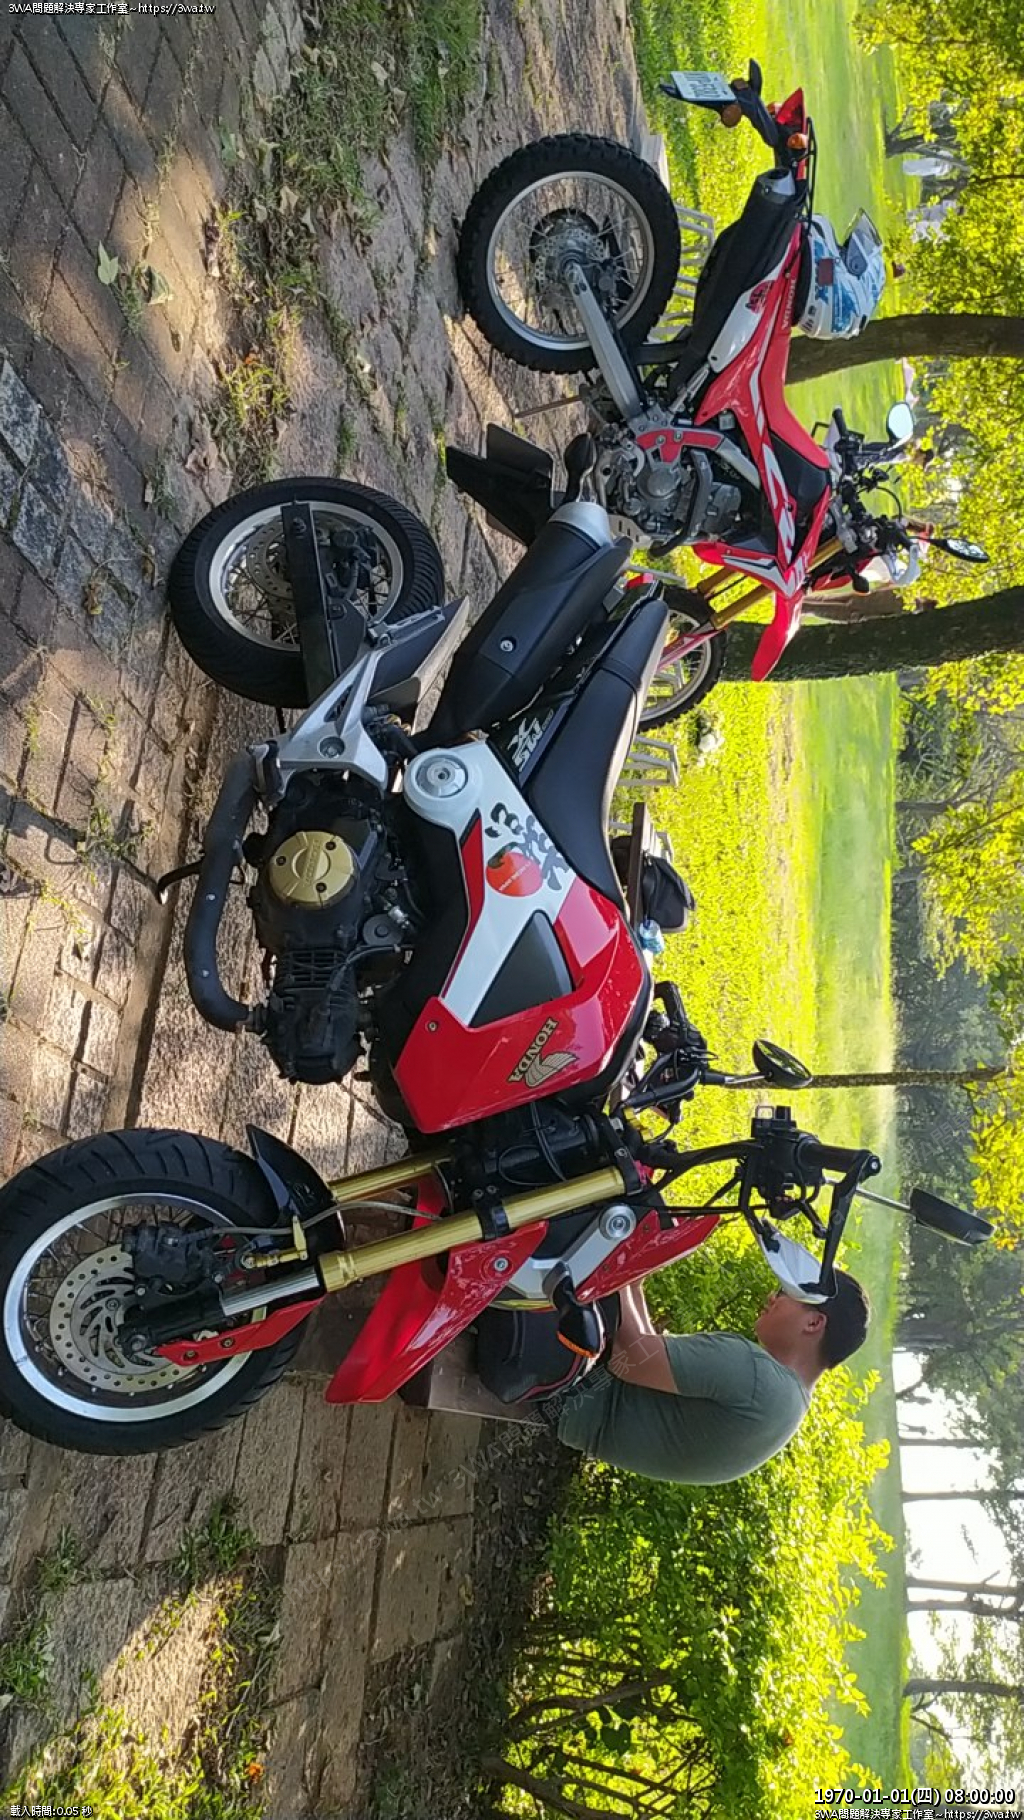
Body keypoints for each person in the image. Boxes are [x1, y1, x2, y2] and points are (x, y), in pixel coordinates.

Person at [539, 1272, 870, 1484]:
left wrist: (620, 1263)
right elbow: (648, 1356)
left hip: (560, 1375)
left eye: (786, 1292)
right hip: (563, 1406)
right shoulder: (787, 1406)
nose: (772, 1297)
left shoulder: (758, 1376)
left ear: (813, 1323)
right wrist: (634, 1282)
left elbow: (634, 1359)